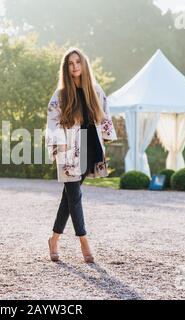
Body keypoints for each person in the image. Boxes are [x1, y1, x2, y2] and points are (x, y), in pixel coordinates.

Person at [45, 48, 118, 263]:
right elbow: (52, 122)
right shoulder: (60, 95)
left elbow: (105, 115)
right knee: (75, 195)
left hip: (90, 146)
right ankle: (84, 242)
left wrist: (105, 140)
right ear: (66, 68)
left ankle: (54, 240)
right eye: (70, 63)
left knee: (69, 198)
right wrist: (60, 145)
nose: (75, 66)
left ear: (84, 64)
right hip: (68, 150)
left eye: (78, 62)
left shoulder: (94, 89)